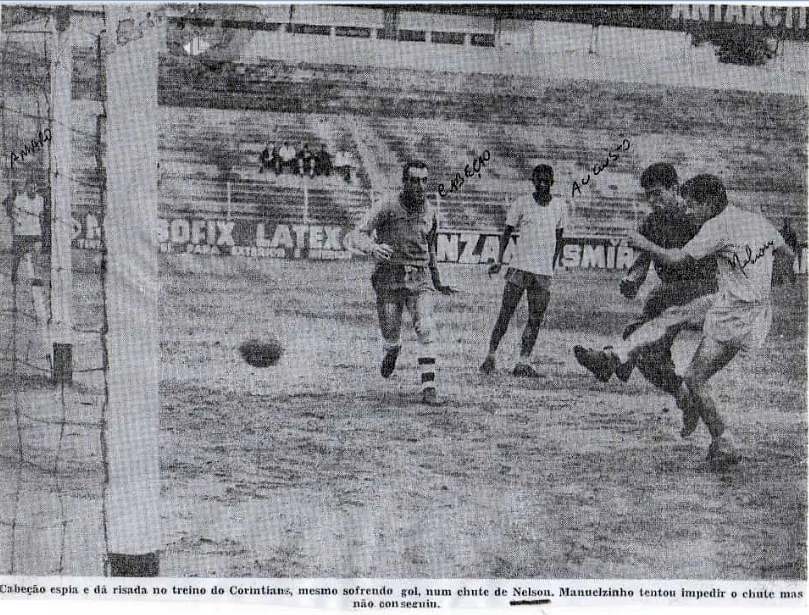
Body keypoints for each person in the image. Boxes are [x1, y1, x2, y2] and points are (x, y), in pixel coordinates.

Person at [608, 175, 793, 467]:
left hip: (732, 313)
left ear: (709, 203)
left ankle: (724, 441)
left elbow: (677, 259)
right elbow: (786, 255)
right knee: (673, 316)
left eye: (693, 205)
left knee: (694, 376)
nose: (689, 210)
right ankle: (617, 354)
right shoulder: (754, 219)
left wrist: (642, 242)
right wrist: (765, 284)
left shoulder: (716, 227)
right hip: (754, 311)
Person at [574, 163, 718, 424]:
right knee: (647, 356)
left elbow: (682, 259)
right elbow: (643, 258)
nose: (652, 201)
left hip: (701, 292)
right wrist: (632, 279)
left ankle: (612, 359)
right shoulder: (652, 222)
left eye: (657, 193)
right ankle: (684, 397)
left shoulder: (695, 217)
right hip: (669, 297)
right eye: (648, 196)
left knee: (641, 335)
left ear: (674, 189)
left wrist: (646, 251)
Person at [353, 160, 455, 405]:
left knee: (426, 327)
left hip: (419, 278)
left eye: (424, 180)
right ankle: (392, 349)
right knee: (390, 334)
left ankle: (429, 387)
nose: (420, 186)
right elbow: (356, 234)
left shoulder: (430, 211)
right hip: (389, 277)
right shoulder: (387, 205)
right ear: (405, 182)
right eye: (414, 180)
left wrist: (437, 281)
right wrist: (372, 247)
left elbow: (430, 248)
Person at [479, 164, 566, 377]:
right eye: (539, 180)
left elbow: (560, 238)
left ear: (552, 182)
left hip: (543, 273)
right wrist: (499, 260)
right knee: (505, 313)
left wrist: (551, 266)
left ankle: (523, 362)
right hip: (519, 268)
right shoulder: (522, 203)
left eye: (547, 180)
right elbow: (507, 232)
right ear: (533, 181)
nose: (543, 184)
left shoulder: (560, 206)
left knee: (535, 318)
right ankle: (490, 356)